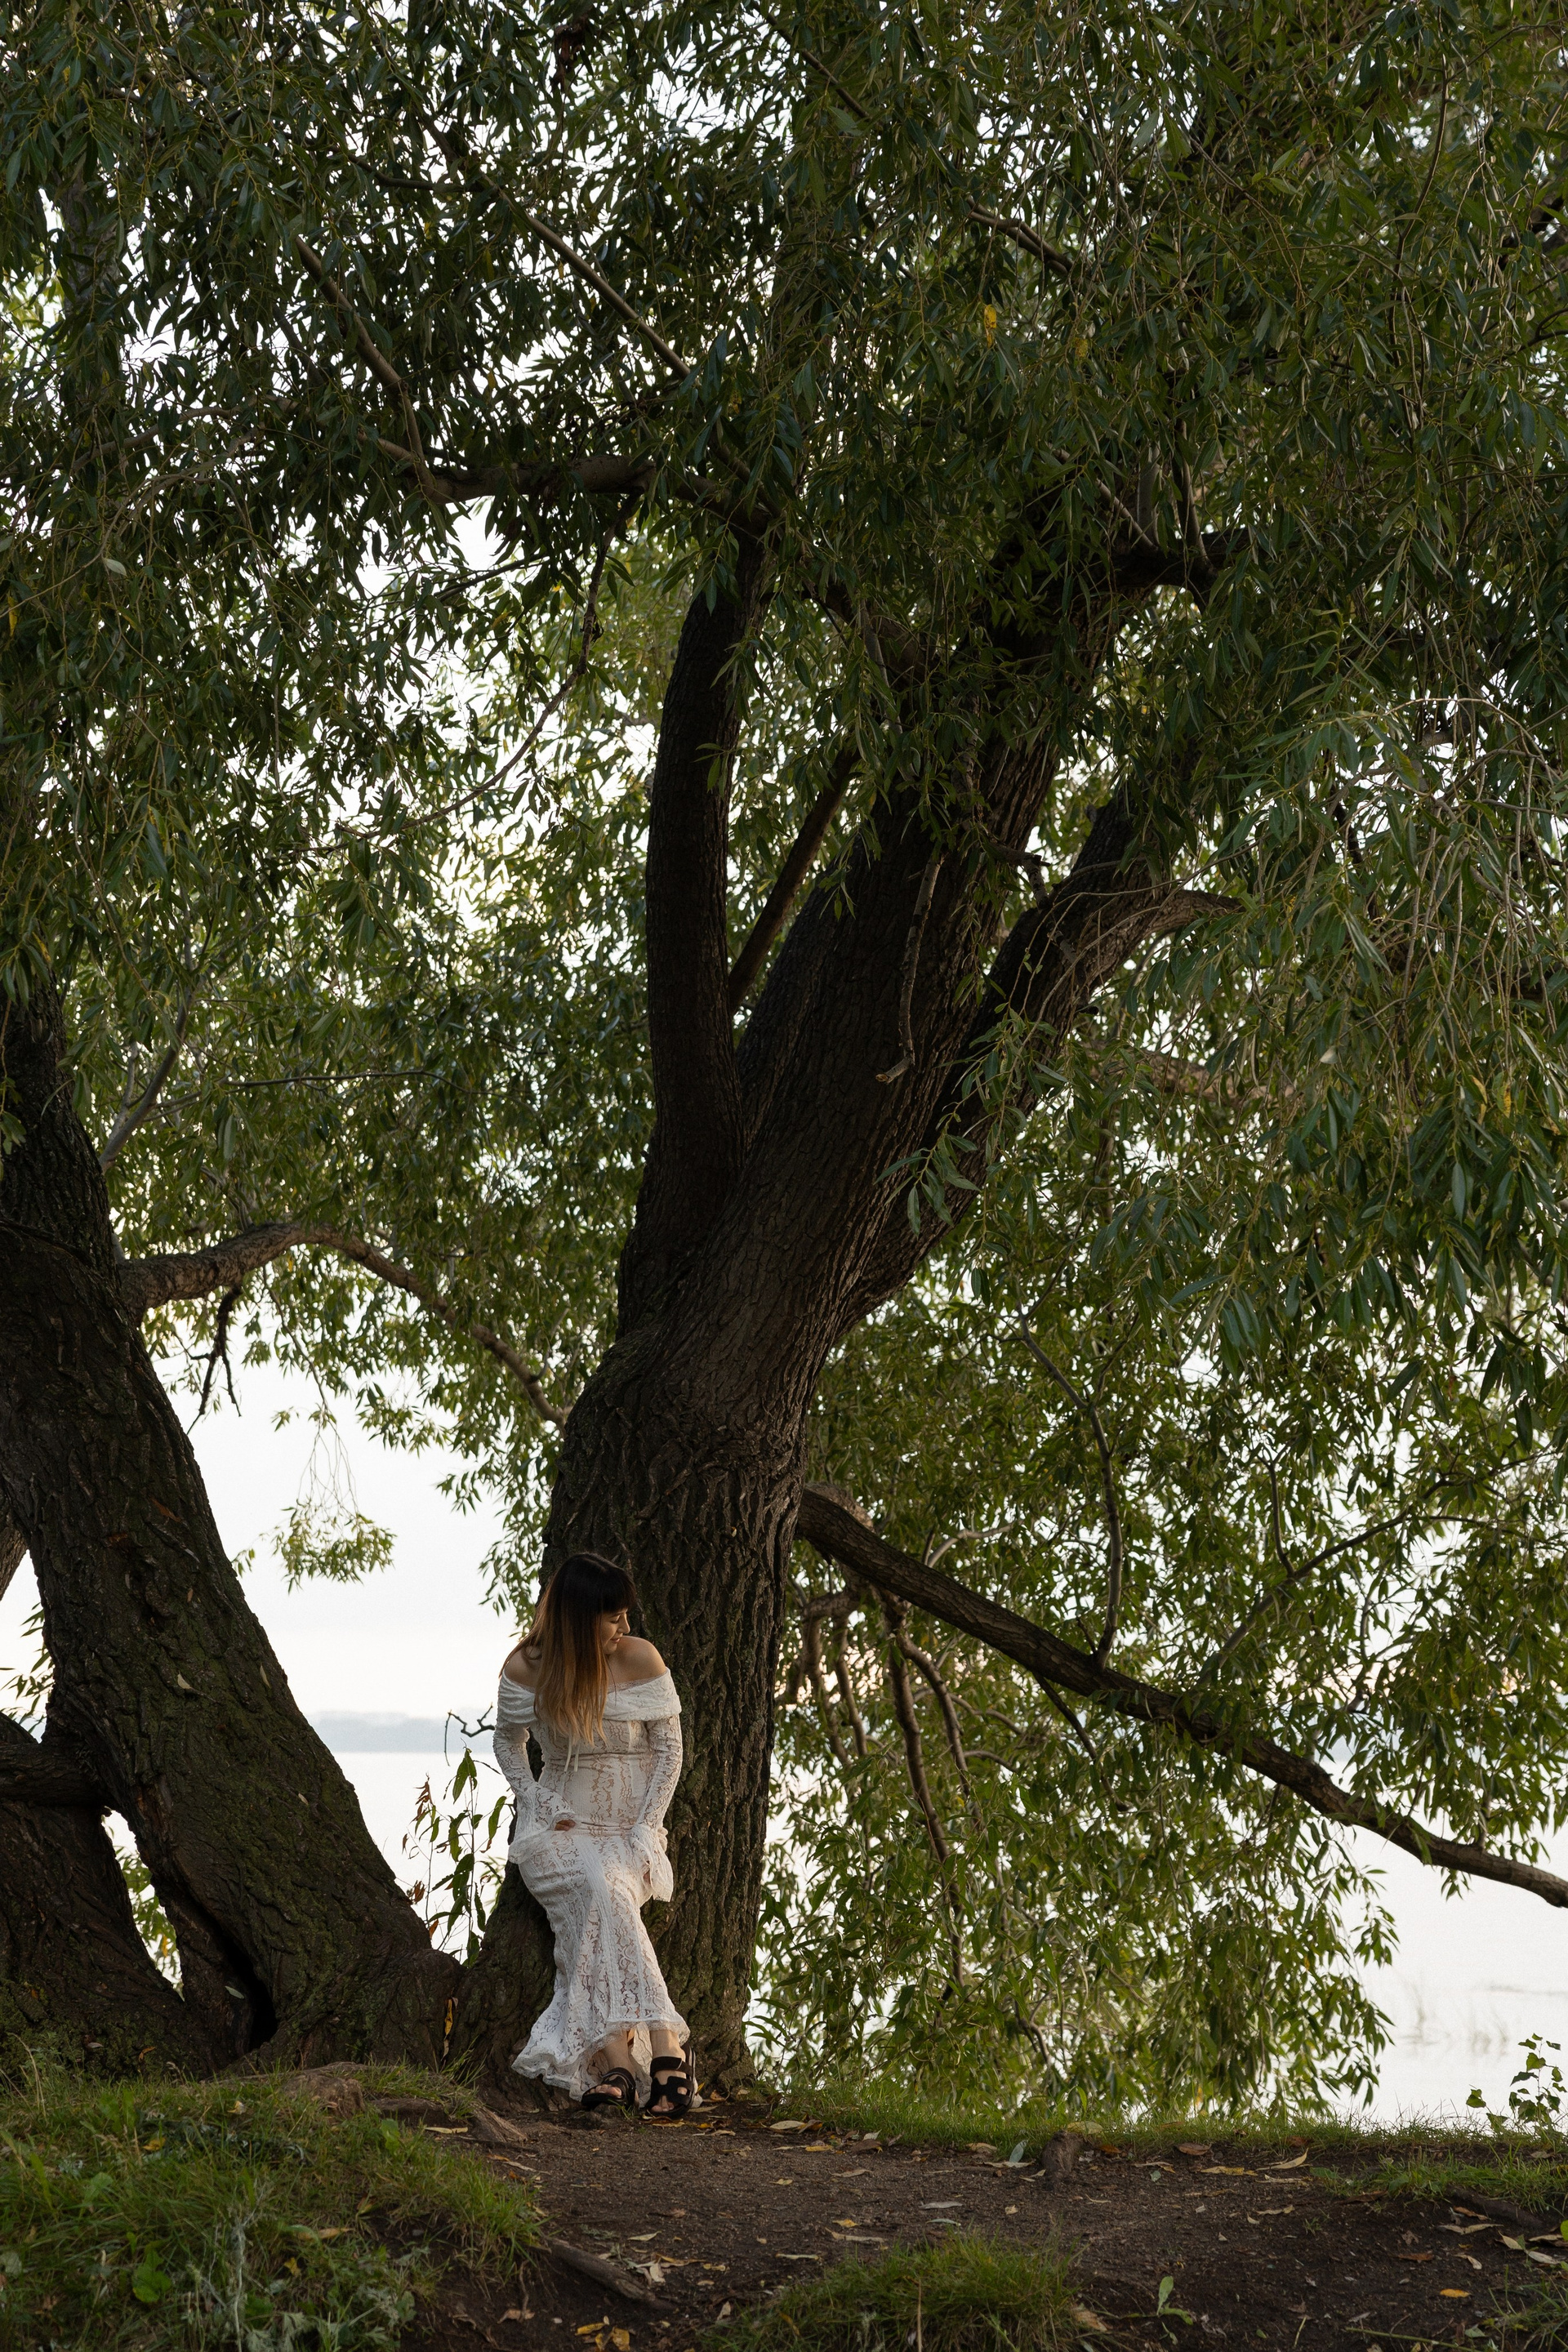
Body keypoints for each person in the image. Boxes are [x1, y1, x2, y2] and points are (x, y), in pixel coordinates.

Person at [492, 1551, 693, 2114]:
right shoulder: (526, 1667)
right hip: (560, 1827)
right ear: (579, 1619)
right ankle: (666, 2048)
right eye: (612, 1617)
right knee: (599, 1889)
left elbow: (669, 1750)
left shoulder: (641, 1658)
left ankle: (619, 2066)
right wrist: (536, 1797)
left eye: (625, 1614)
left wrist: (647, 1827)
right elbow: (507, 1741)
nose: (625, 1625)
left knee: (609, 1894)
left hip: (631, 1827)